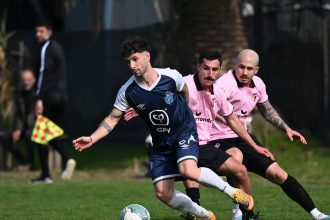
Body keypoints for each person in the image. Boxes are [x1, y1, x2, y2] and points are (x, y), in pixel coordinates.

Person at [73, 36, 254, 219]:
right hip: (161, 142)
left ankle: (233, 192)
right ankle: (203, 214)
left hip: (184, 130)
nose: (132, 65)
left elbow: (184, 92)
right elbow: (112, 119)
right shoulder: (127, 91)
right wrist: (92, 137)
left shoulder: (170, 76)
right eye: (128, 62)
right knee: (162, 192)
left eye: (135, 59)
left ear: (147, 56)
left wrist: (183, 114)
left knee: (188, 170)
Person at [125, 50, 267, 220]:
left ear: (220, 70)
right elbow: (158, 98)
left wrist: (255, 145)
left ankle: (248, 215)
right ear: (198, 66)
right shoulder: (183, 83)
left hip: (204, 145)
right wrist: (142, 108)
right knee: (181, 176)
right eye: (206, 68)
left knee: (240, 170)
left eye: (215, 70)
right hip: (182, 143)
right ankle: (197, 211)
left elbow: (233, 121)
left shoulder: (219, 92)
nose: (210, 74)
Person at [211, 49, 330, 220]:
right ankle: (238, 209)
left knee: (278, 174)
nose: (245, 72)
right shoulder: (224, 84)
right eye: (241, 67)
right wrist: (232, 121)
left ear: (256, 70)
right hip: (219, 137)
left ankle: (317, 215)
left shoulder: (258, 84)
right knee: (235, 159)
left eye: (249, 69)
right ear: (235, 66)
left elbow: (267, 111)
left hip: (244, 137)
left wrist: (286, 128)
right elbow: (212, 110)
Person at [31, 20, 76, 184]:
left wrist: (39, 98)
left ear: (49, 31)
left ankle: (46, 174)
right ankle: (65, 161)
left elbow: (44, 74)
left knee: (40, 136)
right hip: (62, 97)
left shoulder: (46, 48)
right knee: (47, 134)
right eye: (36, 31)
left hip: (49, 97)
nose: (38, 34)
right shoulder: (57, 47)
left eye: (41, 31)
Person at [0, 69, 37, 170]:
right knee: (4, 138)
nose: (26, 82)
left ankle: (30, 163)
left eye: (29, 80)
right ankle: (24, 160)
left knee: (30, 135)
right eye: (24, 80)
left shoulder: (38, 94)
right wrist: (18, 130)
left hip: (35, 126)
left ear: (34, 80)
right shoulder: (19, 94)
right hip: (22, 127)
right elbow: (19, 115)